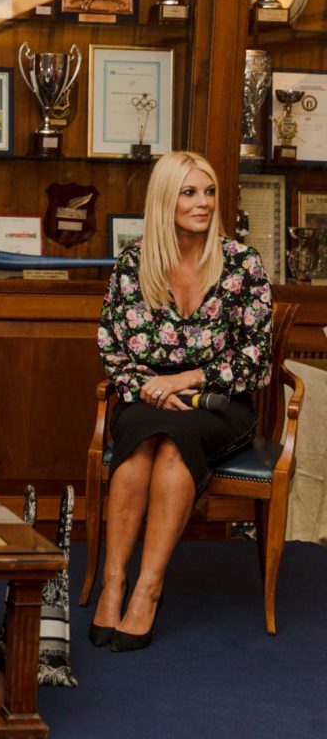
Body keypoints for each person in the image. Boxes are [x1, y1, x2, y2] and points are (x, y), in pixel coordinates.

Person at [93, 151, 272, 652]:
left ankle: (148, 590)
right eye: (189, 192)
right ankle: (113, 585)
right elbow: (112, 345)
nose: (203, 203)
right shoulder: (135, 263)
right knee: (138, 448)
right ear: (164, 200)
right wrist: (150, 386)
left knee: (172, 448)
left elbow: (255, 358)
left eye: (209, 191)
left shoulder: (242, 263)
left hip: (220, 401)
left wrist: (187, 379)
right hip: (146, 394)